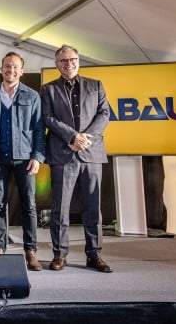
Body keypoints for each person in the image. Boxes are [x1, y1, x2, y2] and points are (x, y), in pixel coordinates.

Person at [40, 44, 112, 273]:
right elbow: (48, 118)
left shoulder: (96, 85)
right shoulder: (48, 89)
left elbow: (104, 113)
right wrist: (72, 136)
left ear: (78, 61)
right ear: (56, 64)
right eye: (63, 61)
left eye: (72, 60)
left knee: (93, 208)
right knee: (60, 208)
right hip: (63, 154)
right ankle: (60, 254)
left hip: (91, 153)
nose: (68, 64)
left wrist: (85, 138)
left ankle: (94, 255)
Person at [0, 52, 45, 271]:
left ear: (22, 71)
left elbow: (38, 129)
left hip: (25, 158)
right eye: (8, 66)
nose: (11, 70)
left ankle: (31, 251)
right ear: (1, 69)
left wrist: (37, 157)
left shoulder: (32, 96)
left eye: (16, 67)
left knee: (29, 204)